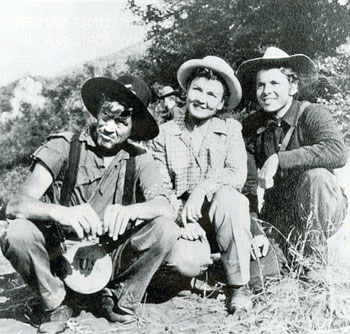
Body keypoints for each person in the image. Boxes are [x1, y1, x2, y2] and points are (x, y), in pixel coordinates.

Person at [0, 75, 180, 333]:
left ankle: (119, 298)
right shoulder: (64, 147)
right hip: (61, 255)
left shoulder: (140, 159)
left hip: (111, 257)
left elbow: (165, 207)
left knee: (166, 228)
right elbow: (16, 205)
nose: (109, 127)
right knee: (16, 232)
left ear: (134, 127)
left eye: (121, 122)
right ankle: (55, 303)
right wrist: (61, 212)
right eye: (106, 116)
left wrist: (130, 211)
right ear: (97, 110)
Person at [150, 56, 269, 314]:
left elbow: (237, 174)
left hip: (223, 216)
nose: (202, 99)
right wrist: (183, 219)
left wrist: (203, 190)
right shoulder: (165, 134)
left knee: (231, 197)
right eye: (198, 90)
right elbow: (159, 186)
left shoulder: (230, 129)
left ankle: (238, 287)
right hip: (185, 220)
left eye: (212, 95)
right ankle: (202, 274)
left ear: (221, 103)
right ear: (186, 91)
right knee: (187, 261)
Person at [237, 47, 348, 264]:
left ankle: (315, 260)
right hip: (279, 214)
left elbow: (338, 150)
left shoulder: (313, 113)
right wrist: (256, 230)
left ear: (293, 86)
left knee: (317, 176)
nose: (266, 91)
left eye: (274, 83)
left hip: (321, 206)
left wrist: (280, 159)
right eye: (261, 85)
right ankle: (290, 256)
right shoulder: (251, 126)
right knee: (261, 276)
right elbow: (248, 186)